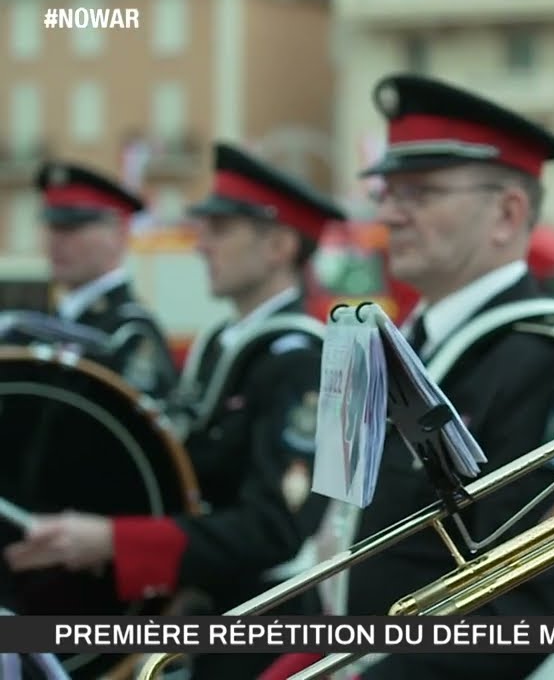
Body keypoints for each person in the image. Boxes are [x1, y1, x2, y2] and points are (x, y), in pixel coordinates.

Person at [261, 74, 554, 680]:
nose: (389, 214)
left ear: (507, 213)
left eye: (420, 193)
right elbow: (333, 539)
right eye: (387, 193)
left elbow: (520, 614)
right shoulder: (387, 343)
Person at [4, 141, 347, 679]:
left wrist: (113, 541)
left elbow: (274, 528)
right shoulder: (222, 346)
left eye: (220, 230)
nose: (200, 244)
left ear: (280, 246)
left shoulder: (302, 359)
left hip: (263, 624)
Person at [0, 161, 177, 399]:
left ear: (119, 232)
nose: (55, 240)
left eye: (71, 227)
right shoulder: (46, 322)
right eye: (51, 225)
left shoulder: (129, 331)